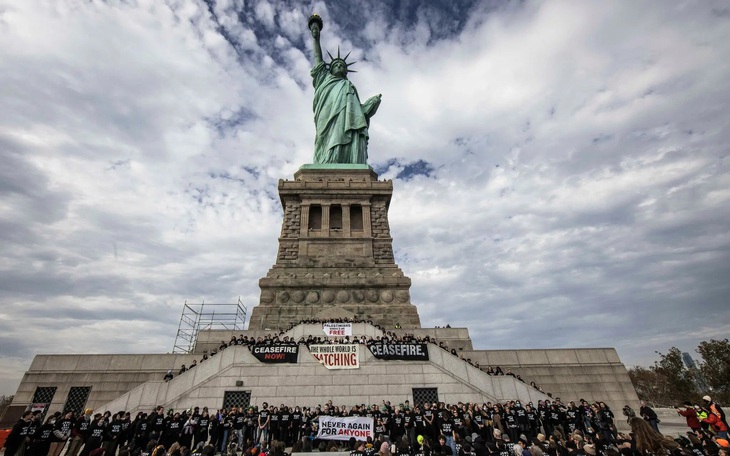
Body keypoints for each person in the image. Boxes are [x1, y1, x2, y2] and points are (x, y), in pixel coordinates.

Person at [308, 14, 382, 164]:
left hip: (346, 121)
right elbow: (317, 57)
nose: (340, 66)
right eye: (336, 65)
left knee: (347, 134)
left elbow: (357, 115)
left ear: (347, 72)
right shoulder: (324, 78)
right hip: (327, 117)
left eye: (343, 65)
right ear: (330, 69)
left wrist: (369, 106)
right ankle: (327, 162)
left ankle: (346, 161)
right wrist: (316, 38)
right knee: (326, 140)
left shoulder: (349, 86)